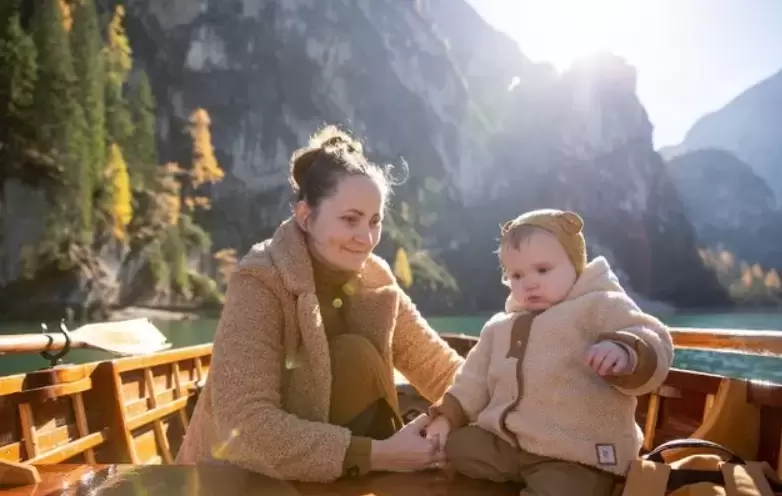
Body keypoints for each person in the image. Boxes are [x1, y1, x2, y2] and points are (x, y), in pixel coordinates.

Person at [176, 125, 464, 483]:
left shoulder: (376, 281)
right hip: (241, 478)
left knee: (355, 356)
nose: (366, 238)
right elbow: (245, 426)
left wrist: (455, 411)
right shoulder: (261, 281)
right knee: (355, 356)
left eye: (374, 222)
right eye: (350, 219)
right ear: (305, 217)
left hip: (339, 467)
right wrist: (380, 454)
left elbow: (440, 368)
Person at [424, 209, 674, 496]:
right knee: (457, 445)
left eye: (543, 270)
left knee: (566, 486)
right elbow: (473, 380)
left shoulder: (599, 305)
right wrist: (447, 416)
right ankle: (516, 472)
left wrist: (624, 351)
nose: (529, 283)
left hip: (576, 452)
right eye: (516, 275)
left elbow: (654, 337)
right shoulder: (500, 327)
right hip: (508, 443)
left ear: (576, 265)